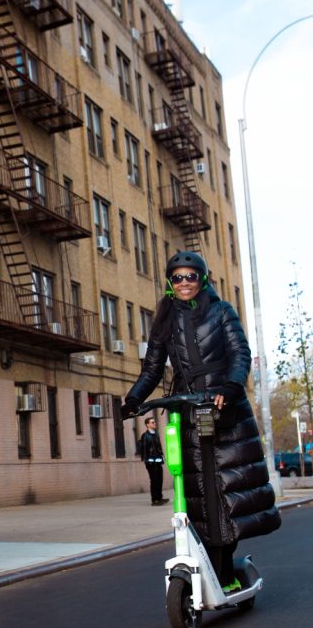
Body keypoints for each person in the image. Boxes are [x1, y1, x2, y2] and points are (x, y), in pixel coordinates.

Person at [121, 250, 280, 589]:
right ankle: (211, 573)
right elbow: (151, 368)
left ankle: (225, 574)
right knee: (197, 495)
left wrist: (231, 385)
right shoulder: (164, 321)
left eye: (190, 276)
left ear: (202, 279)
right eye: (177, 277)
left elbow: (240, 352)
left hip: (225, 407)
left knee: (225, 490)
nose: (184, 283)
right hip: (188, 410)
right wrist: (134, 398)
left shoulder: (221, 311)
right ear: (169, 282)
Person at [137, 416, 169, 506]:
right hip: (151, 462)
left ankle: (159, 497)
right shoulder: (145, 435)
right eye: (152, 422)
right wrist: (146, 461)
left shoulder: (156, 434)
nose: (154, 423)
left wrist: (162, 456)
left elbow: (159, 447)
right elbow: (144, 449)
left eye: (154, 422)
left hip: (158, 461)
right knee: (154, 480)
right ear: (147, 425)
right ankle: (155, 500)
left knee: (159, 479)